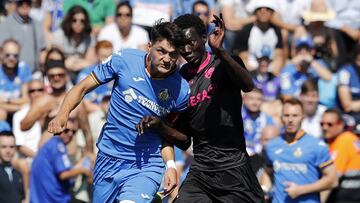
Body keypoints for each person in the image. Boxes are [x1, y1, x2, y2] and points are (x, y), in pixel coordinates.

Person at [47, 20, 190, 203]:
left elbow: (167, 133)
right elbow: (82, 88)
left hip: (145, 165)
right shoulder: (124, 60)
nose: (167, 59)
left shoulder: (181, 90)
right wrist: (62, 114)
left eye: (173, 54)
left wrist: (170, 165)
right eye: (161, 51)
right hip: (108, 158)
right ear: (149, 47)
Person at [138, 14, 264, 202]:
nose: (186, 49)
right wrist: (161, 126)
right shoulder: (178, 81)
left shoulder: (224, 63)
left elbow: (247, 85)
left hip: (233, 168)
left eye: (191, 42)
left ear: (204, 38)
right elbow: (184, 140)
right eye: (181, 45)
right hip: (201, 171)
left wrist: (220, 51)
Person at [265, 98, 338, 203]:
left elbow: (332, 180)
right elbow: (268, 172)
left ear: (302, 118)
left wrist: (300, 190)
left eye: (295, 115)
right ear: (281, 118)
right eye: (286, 115)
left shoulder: (317, 145)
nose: (290, 120)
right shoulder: (272, 145)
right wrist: (264, 188)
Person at [30, 118, 91, 203]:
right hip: (53, 199)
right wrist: (83, 170)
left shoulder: (51, 145)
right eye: (66, 131)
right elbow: (63, 174)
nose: (70, 134)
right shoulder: (58, 146)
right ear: (58, 130)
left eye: (73, 132)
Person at [321, 108, 360, 203]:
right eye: (322, 124)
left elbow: (331, 178)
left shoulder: (343, 140)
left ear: (340, 124)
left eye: (330, 124)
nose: (325, 128)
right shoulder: (349, 138)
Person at [0, 131, 25, 203]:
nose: (8, 151)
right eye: (3, 147)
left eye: (11, 147)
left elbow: (22, 198)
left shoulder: (18, 173)